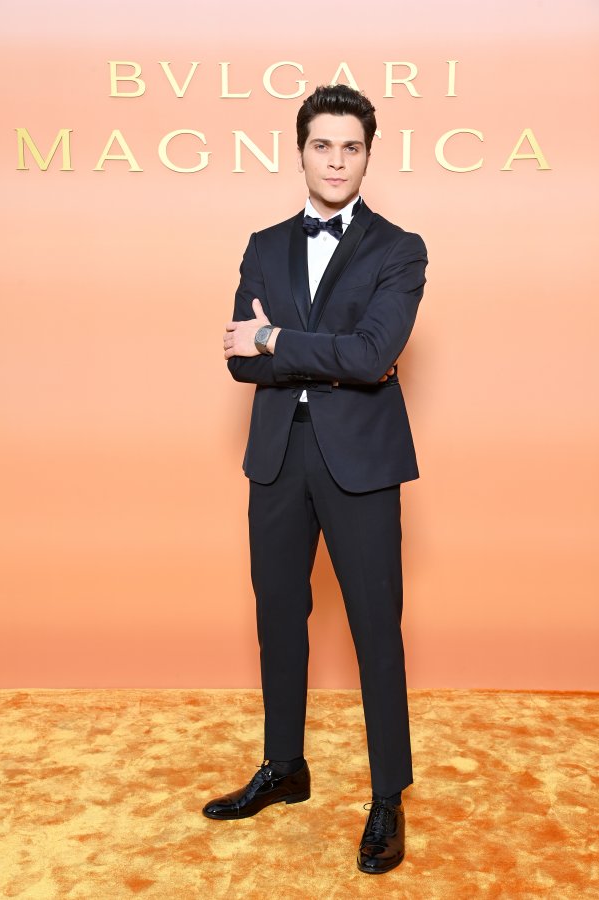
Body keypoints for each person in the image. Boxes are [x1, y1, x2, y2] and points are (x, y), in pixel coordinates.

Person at [202, 83, 428, 875]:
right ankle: (284, 766)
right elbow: (239, 361)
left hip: (360, 460)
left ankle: (388, 796)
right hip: (276, 455)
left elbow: (372, 356)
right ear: (300, 151)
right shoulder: (264, 244)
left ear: (368, 155)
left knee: (375, 629)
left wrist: (274, 338)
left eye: (351, 147)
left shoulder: (400, 248)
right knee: (277, 617)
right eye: (322, 145)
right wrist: (309, 351)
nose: (336, 161)